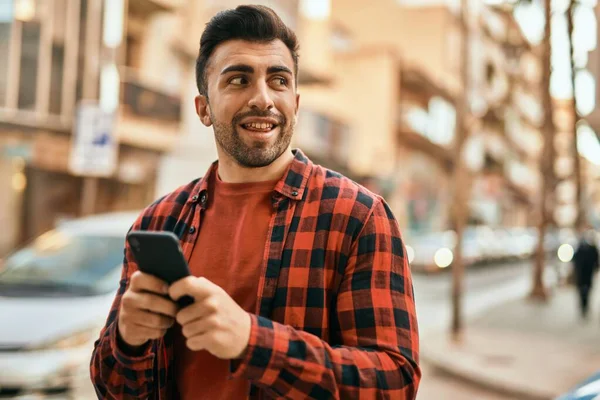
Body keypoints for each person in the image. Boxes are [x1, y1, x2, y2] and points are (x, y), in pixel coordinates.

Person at [90, 5, 420, 399]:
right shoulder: (158, 222)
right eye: (238, 80)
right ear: (203, 109)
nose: (262, 98)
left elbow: (394, 385)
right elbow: (111, 388)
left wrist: (253, 342)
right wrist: (127, 341)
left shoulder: (358, 217)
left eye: (278, 80)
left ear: (295, 104)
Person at [572, 230, 599, 320]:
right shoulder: (580, 248)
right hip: (581, 274)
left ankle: (585, 307)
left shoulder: (592, 248)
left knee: (587, 291)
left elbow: (596, 262)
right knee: (581, 291)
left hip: (587, 274)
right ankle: (583, 307)